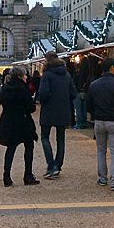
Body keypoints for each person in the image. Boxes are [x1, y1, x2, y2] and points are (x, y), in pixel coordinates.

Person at [86, 57, 114, 191]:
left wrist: (94, 116)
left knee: (101, 150)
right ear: (112, 68)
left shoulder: (94, 84)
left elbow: (88, 104)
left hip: (99, 120)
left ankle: (102, 178)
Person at [0, 66, 39, 187]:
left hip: (10, 121)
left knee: (11, 148)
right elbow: (30, 107)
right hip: (23, 121)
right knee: (29, 147)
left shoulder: (5, 88)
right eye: (24, 75)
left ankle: (6, 176)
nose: (26, 77)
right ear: (20, 76)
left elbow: (3, 102)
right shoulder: (22, 88)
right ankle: (28, 175)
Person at [38, 51, 76, 179]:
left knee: (44, 137)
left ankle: (51, 165)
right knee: (61, 139)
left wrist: (45, 99)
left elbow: (43, 94)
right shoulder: (67, 75)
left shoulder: (47, 75)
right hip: (63, 110)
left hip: (49, 109)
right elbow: (73, 93)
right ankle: (58, 165)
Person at [73, 61, 92, 129]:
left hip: (78, 92)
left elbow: (74, 82)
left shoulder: (77, 73)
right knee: (84, 109)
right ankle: (84, 123)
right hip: (85, 92)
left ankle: (79, 124)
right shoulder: (88, 74)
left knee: (78, 110)